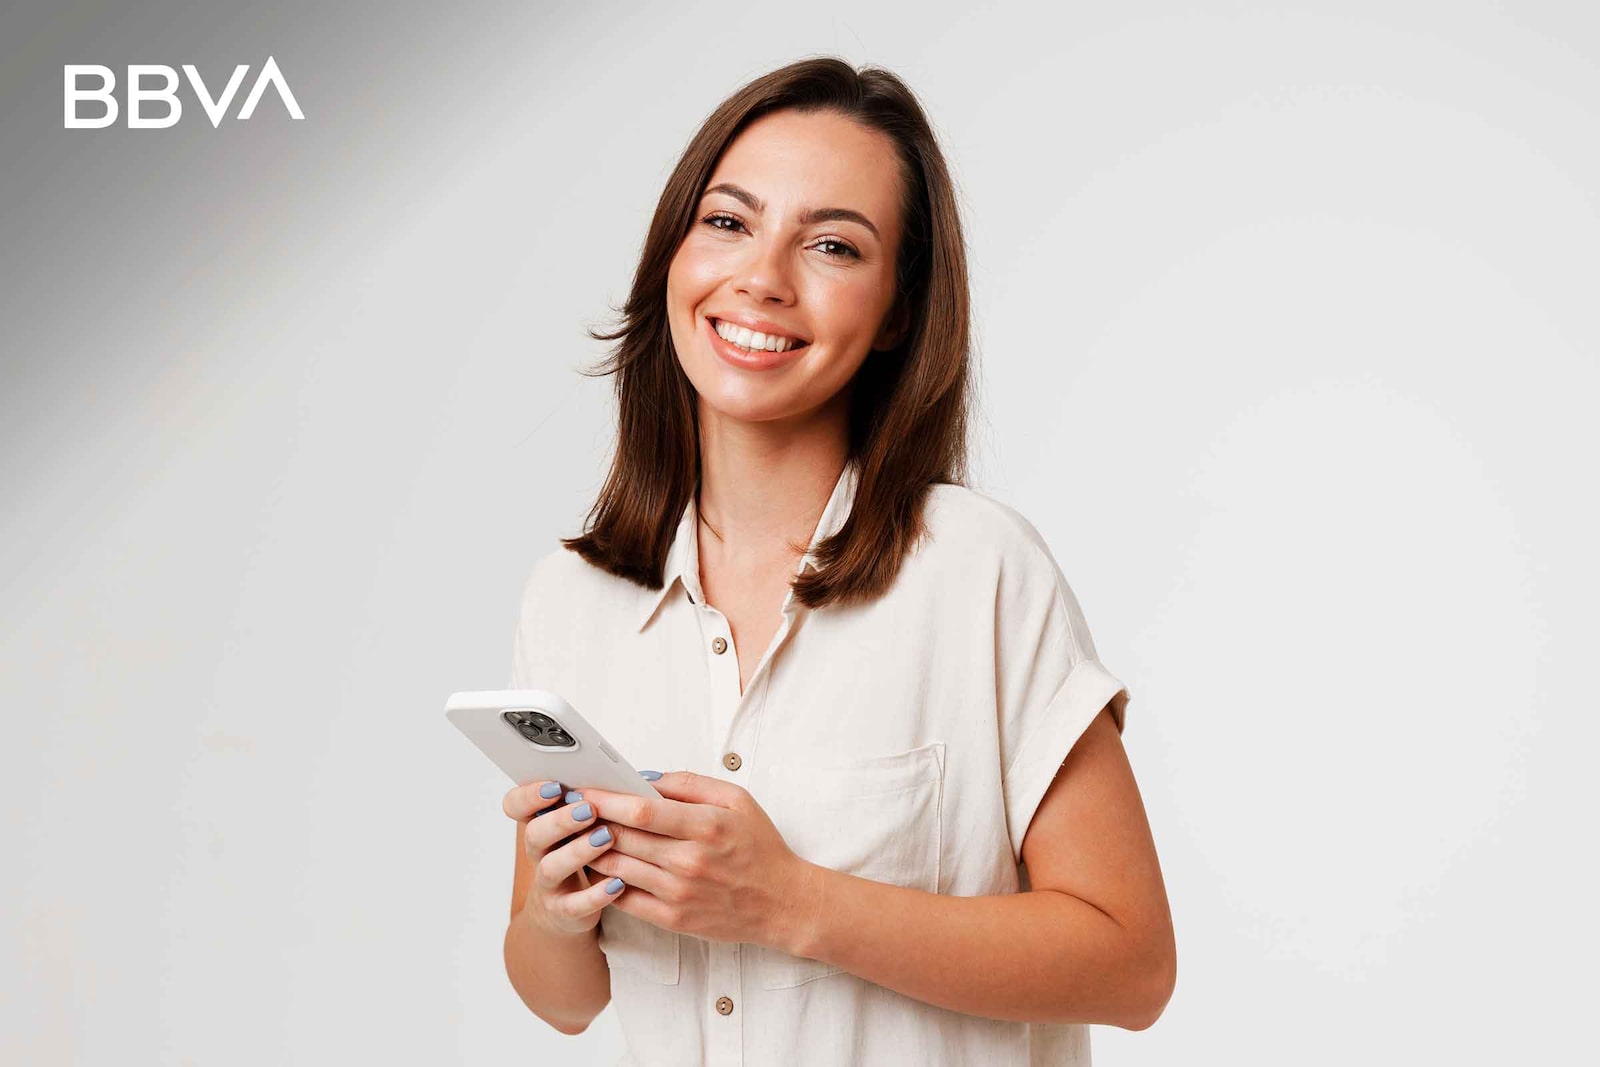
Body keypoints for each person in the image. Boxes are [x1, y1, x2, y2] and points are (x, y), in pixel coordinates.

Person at [500, 56, 1175, 1066]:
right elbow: (561, 999)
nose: (762, 278)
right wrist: (558, 913)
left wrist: (788, 901)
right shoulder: (573, 599)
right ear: (672, 253)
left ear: (898, 309)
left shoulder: (979, 572)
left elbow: (1133, 965)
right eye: (727, 222)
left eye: (832, 244)